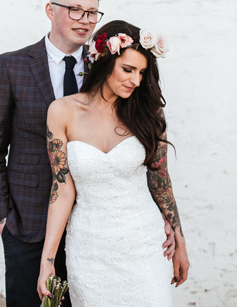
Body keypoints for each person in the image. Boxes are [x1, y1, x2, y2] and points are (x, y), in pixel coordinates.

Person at [0, 0, 175, 307]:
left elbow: (147, 155)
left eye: (92, 12)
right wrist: (4, 221)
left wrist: (167, 221)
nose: (85, 20)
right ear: (50, 9)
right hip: (31, 224)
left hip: (98, 232)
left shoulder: (112, 65)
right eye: (75, 9)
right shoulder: (12, 66)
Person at [36, 21, 190, 306]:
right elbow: (62, 191)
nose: (136, 80)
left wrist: (180, 242)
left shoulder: (149, 113)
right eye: (128, 70)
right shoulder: (62, 112)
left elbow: (161, 180)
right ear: (105, 62)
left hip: (145, 244)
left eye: (142, 72)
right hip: (89, 249)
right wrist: (48, 260)